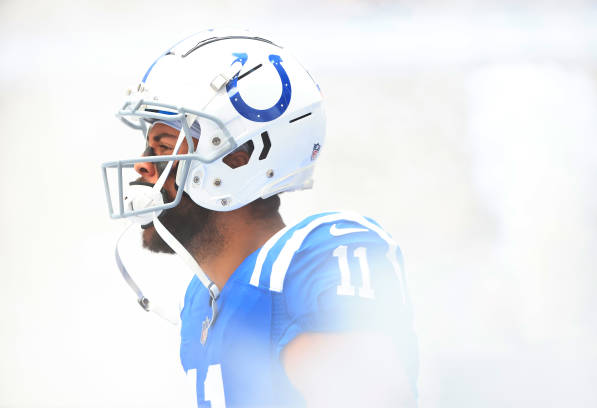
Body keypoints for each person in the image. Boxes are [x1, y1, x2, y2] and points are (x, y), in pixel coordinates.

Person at [102, 29, 418, 407]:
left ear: (240, 157)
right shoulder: (201, 303)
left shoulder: (310, 258)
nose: (142, 165)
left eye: (165, 147)